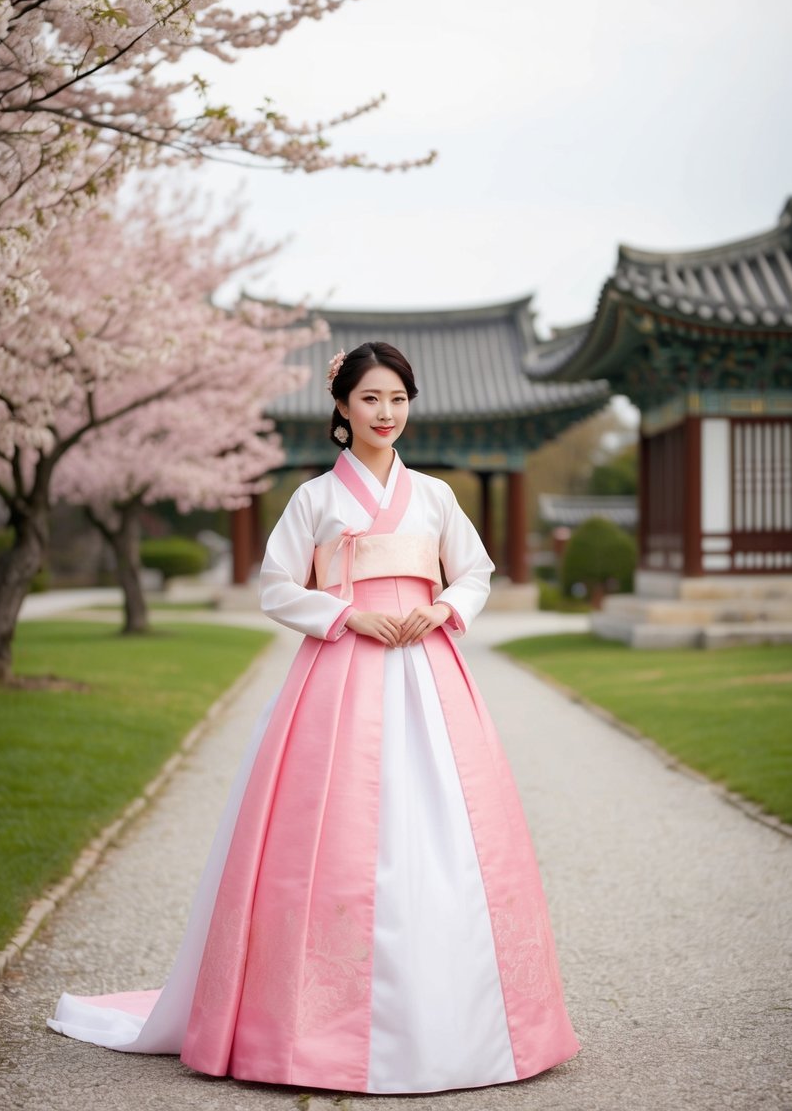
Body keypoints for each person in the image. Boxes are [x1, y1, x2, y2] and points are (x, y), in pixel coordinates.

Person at [48, 342, 581, 1094]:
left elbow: (476, 571)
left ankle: (462, 1020)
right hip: (340, 673)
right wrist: (343, 617)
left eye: (397, 399)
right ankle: (308, 1027)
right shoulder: (314, 499)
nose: (385, 413)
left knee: (452, 831)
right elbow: (275, 585)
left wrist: (438, 609)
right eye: (369, 399)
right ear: (341, 407)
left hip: (430, 669)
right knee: (333, 834)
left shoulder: (432, 496)